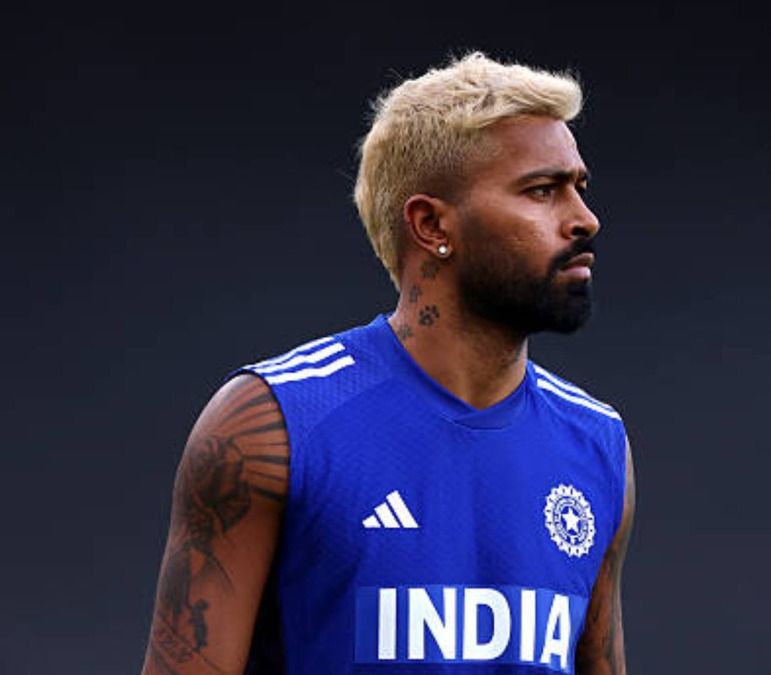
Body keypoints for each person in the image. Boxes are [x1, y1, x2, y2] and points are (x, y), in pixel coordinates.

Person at [141, 52, 634, 675]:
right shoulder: (273, 425)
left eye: (579, 190)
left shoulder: (597, 445)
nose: (585, 220)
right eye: (542, 191)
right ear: (431, 225)